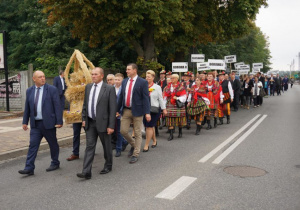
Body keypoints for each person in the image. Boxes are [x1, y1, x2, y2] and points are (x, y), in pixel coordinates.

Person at [19, 70, 62, 176]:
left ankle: (55, 162)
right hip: (35, 124)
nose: (43, 78)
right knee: (33, 145)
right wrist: (25, 122)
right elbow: (27, 107)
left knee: (53, 144)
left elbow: (57, 106)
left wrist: (59, 121)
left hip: (48, 123)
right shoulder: (29, 90)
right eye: (40, 77)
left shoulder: (52, 89)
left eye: (43, 76)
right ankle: (29, 167)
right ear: (34, 79)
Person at [77, 67, 116, 179]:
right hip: (90, 123)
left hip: (104, 123)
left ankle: (108, 165)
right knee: (89, 146)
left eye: (95, 74)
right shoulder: (88, 87)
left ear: (102, 76)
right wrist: (84, 119)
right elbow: (85, 105)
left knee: (106, 146)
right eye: (92, 74)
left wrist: (111, 125)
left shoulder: (108, 89)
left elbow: (113, 109)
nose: (93, 76)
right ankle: (86, 172)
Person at [117, 63, 151, 164]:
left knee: (137, 132)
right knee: (123, 131)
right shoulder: (125, 81)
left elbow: (146, 98)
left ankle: (135, 154)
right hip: (126, 110)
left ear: (134, 70)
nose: (126, 71)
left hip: (138, 110)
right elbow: (121, 97)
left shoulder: (142, 82)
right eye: (126, 69)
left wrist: (147, 112)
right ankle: (134, 144)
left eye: (128, 69)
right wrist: (116, 110)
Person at [143, 70, 167, 152]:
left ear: (153, 77)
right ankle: (154, 140)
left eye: (149, 77)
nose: (147, 78)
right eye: (146, 77)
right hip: (145, 109)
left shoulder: (157, 87)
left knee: (149, 126)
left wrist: (164, 109)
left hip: (154, 109)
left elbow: (160, 99)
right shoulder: (143, 86)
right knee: (149, 126)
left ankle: (146, 145)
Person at [163, 74, 187, 140]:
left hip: (177, 104)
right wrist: (163, 106)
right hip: (169, 104)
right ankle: (171, 135)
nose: (172, 79)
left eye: (173, 78)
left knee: (179, 120)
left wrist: (177, 98)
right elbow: (165, 96)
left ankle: (180, 132)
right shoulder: (167, 87)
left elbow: (184, 97)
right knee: (169, 119)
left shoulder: (181, 87)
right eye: (171, 78)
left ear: (177, 79)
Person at [114, 73, 128, 157]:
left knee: (119, 131)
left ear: (122, 80)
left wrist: (119, 111)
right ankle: (124, 142)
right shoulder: (111, 88)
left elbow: (124, 102)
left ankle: (118, 149)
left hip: (120, 112)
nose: (116, 81)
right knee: (114, 131)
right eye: (115, 79)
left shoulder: (124, 89)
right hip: (112, 113)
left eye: (118, 80)